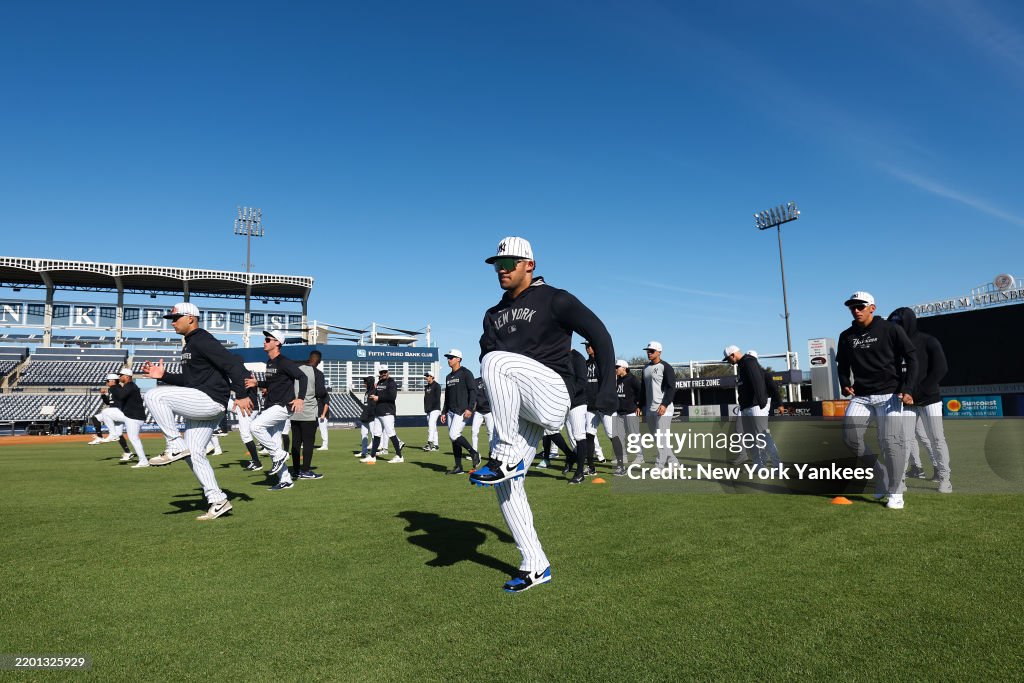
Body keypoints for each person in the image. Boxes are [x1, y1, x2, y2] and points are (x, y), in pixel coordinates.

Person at [469, 236, 615, 593]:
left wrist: (607, 387)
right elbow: (488, 361)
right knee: (507, 486)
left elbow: (600, 335)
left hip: (553, 394)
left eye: (509, 264)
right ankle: (535, 565)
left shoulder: (555, 298)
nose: (501, 270)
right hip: (521, 406)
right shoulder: (493, 314)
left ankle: (505, 455)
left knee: (496, 361)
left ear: (529, 265)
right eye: (497, 265)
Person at [141, 302, 253, 521]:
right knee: (195, 454)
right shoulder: (190, 344)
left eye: (176, 318)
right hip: (204, 400)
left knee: (154, 396)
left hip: (210, 400)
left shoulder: (202, 339)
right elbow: (190, 381)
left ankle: (175, 444)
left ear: (190, 318)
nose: (172, 323)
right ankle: (218, 500)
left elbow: (233, 365)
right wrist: (164, 376)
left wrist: (241, 394)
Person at [837, 291, 917, 510]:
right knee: (850, 438)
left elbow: (912, 358)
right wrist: (844, 383)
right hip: (861, 396)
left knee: (891, 443)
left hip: (889, 394)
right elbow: (842, 365)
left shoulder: (891, 329)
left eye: (860, 306)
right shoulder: (846, 336)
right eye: (852, 307)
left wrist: (908, 388)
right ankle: (880, 473)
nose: (856, 310)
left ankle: (896, 491)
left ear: (872, 307)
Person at [887, 307, 952, 493]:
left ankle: (945, 479)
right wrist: (901, 392)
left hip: (930, 399)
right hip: (907, 402)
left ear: (908, 322)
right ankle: (900, 481)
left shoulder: (928, 341)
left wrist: (917, 392)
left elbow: (940, 369)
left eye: (898, 323)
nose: (895, 327)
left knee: (937, 439)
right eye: (892, 324)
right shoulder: (894, 346)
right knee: (905, 441)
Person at [245, 329, 308, 491]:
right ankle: (285, 480)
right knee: (275, 442)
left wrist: (300, 398)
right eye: (265, 339)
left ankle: (280, 455)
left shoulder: (284, 362)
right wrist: (257, 383)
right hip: (272, 404)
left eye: (268, 339)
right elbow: (271, 384)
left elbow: (303, 377)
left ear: (277, 343)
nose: (264, 342)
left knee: (255, 426)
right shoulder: (270, 363)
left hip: (283, 405)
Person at [724, 345, 772, 469]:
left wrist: (761, 402)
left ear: (733, 355)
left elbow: (758, 382)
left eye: (728, 358)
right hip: (746, 406)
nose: (728, 361)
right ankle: (752, 459)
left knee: (760, 434)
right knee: (746, 433)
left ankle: (768, 461)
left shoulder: (749, 362)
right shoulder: (741, 365)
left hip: (755, 405)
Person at [439, 349, 479, 474]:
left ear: (458, 359)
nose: (448, 360)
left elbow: (473, 391)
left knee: (454, 435)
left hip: (462, 410)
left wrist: (470, 408)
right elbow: (447, 396)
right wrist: (444, 411)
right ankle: (458, 467)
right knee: (453, 439)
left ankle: (474, 453)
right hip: (450, 411)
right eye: (448, 357)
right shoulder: (448, 376)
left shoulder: (466, 373)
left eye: (451, 357)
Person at [641, 341, 678, 469]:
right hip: (649, 408)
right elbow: (643, 389)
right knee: (657, 438)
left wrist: (665, 404)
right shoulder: (645, 368)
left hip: (663, 408)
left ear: (659, 352)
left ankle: (659, 466)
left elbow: (671, 388)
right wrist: (640, 405)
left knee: (661, 439)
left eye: (652, 351)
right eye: (648, 351)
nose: (649, 353)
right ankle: (673, 462)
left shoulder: (666, 367)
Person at [365, 366, 405, 464]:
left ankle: (399, 456)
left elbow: (392, 396)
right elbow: (376, 394)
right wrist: (373, 395)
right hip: (378, 412)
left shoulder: (391, 382)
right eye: (381, 372)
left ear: (388, 372)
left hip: (388, 412)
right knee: (376, 434)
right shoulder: (379, 383)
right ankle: (372, 456)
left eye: (384, 372)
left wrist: (378, 398)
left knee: (391, 433)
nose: (383, 374)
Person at [289, 360, 322, 479]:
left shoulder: (291, 370)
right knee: (308, 443)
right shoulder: (316, 372)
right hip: (309, 411)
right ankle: (306, 470)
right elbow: (321, 391)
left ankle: (296, 470)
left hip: (294, 410)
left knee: (296, 442)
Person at [583, 341, 614, 465]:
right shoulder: (585, 363)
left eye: (589, 346)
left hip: (603, 405)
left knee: (611, 433)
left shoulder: (604, 362)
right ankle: (591, 466)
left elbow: (609, 383)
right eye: (586, 346)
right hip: (590, 405)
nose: (587, 348)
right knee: (589, 434)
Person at [612, 359, 642, 475]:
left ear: (624, 368)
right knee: (620, 436)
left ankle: (640, 456)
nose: (615, 369)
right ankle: (623, 457)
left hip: (630, 412)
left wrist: (639, 406)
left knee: (634, 435)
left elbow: (640, 392)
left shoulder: (632, 379)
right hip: (619, 412)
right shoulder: (617, 380)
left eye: (617, 367)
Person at [114, 367, 149, 468]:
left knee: (134, 439)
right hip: (134, 416)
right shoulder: (130, 386)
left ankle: (143, 461)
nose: (119, 377)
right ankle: (114, 433)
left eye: (121, 375)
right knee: (134, 439)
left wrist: (115, 386)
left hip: (133, 417)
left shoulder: (129, 386)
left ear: (126, 376)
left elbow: (120, 397)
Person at [87, 374, 125, 447]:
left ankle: (112, 434)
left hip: (119, 411)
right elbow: (108, 402)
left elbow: (123, 397)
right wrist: (103, 395)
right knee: (95, 418)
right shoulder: (112, 389)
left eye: (107, 381)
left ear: (113, 381)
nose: (106, 382)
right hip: (113, 412)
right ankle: (100, 437)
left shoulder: (117, 388)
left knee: (105, 412)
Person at [308, 350, 331, 451]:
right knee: (311, 429)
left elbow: (326, 404)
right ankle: (308, 443)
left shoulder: (324, 392)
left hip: (322, 414)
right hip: (314, 413)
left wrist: (323, 414)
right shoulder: (315, 392)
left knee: (323, 430)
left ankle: (325, 445)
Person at [470, 377, 494, 458]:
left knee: (490, 432)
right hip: (478, 411)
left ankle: (491, 452)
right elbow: (473, 394)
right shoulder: (475, 381)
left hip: (489, 411)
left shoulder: (491, 379)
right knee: (474, 431)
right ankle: (474, 453)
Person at [355, 376, 376, 458]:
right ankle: (364, 452)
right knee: (363, 433)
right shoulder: (367, 392)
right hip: (365, 416)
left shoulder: (374, 391)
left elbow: (374, 405)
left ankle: (373, 454)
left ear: (369, 383)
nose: (364, 384)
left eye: (365, 382)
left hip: (372, 416)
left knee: (373, 435)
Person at [422, 371, 441, 451]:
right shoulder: (426, 387)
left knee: (431, 425)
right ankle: (436, 445)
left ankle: (429, 443)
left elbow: (437, 398)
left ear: (431, 376)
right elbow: (425, 398)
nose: (426, 377)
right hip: (428, 410)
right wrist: (426, 408)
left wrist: (432, 407)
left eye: (427, 376)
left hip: (435, 409)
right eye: (426, 376)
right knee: (434, 427)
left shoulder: (437, 386)